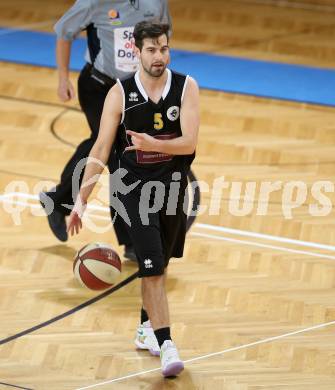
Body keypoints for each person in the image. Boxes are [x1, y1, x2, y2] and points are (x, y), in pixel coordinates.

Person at [67, 21, 199, 377]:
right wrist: (81, 201)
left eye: (164, 49)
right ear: (136, 51)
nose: (159, 56)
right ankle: (167, 344)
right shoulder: (120, 94)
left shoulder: (186, 87)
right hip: (133, 192)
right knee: (152, 266)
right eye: (152, 50)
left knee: (162, 264)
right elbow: (99, 150)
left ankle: (145, 328)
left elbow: (188, 143)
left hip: (172, 190)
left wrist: (154, 144)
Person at [39, 0, 171, 262]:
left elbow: (162, 40)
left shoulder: (156, 2)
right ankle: (131, 241)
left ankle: (57, 199)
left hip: (134, 91)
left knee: (99, 145)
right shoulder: (93, 3)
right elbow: (64, 32)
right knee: (117, 157)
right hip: (99, 87)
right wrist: (63, 78)